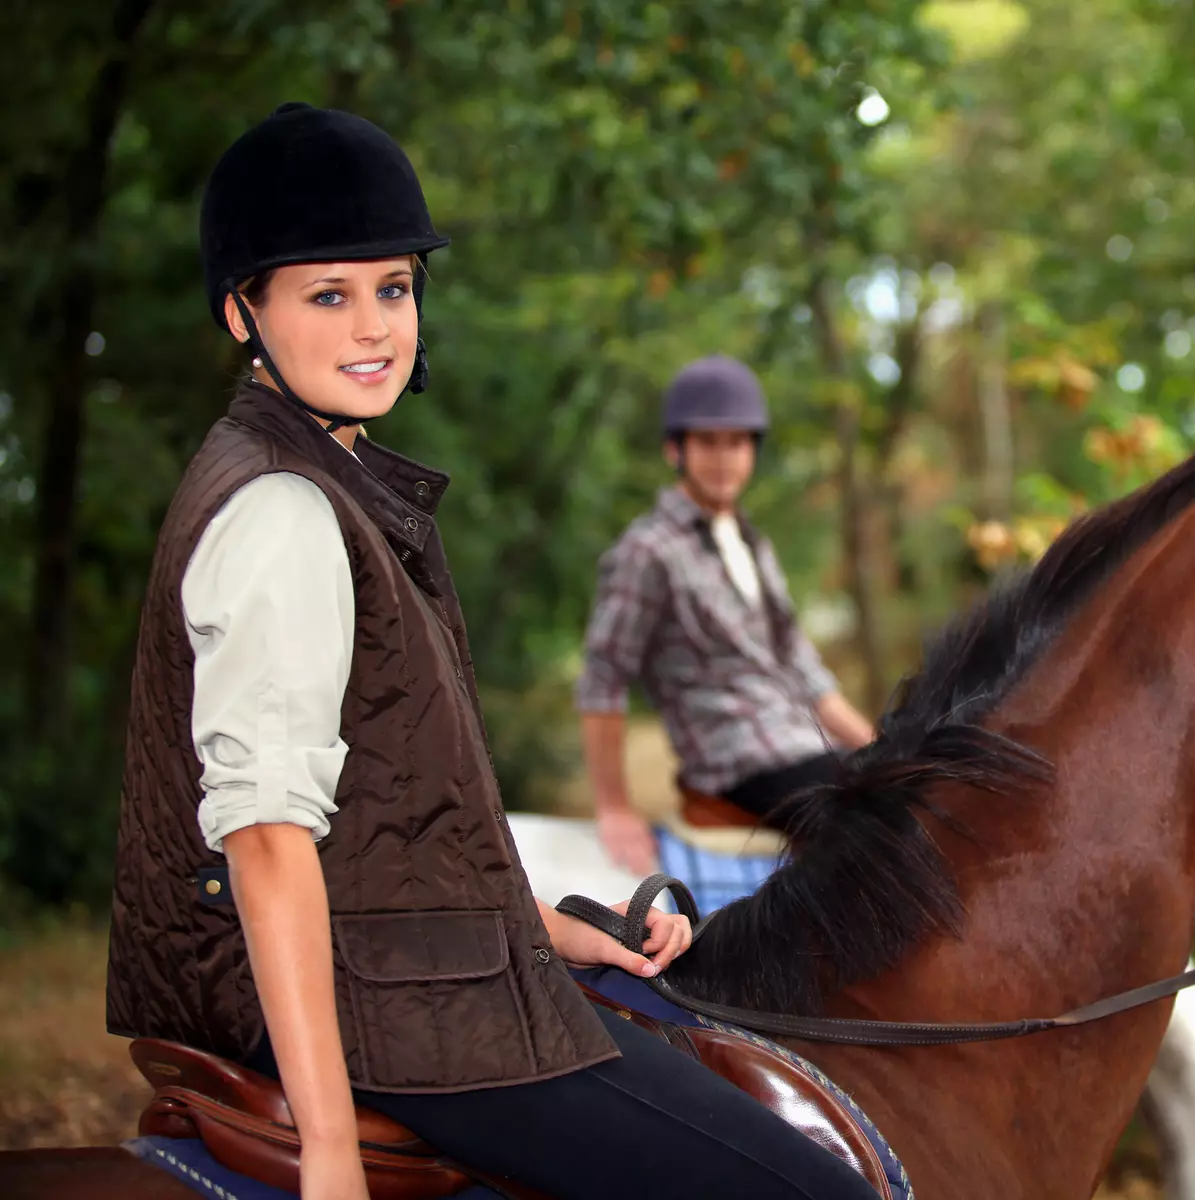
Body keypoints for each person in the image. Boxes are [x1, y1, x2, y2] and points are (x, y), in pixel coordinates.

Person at [103, 101, 877, 1200]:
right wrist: (330, 1156)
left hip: (421, 970)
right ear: (242, 313)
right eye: (329, 295)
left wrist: (550, 929)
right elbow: (269, 840)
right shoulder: (281, 509)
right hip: (393, 1015)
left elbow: (397, 814)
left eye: (394, 288)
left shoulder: (340, 482)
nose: (375, 329)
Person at [576, 355, 876, 877]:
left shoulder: (753, 544)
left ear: (752, 452)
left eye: (736, 442)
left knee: (918, 791)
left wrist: (881, 747)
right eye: (708, 443)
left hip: (800, 741)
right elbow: (603, 680)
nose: (724, 458)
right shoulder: (648, 551)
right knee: (869, 826)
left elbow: (804, 671)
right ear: (676, 449)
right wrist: (614, 807)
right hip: (735, 759)